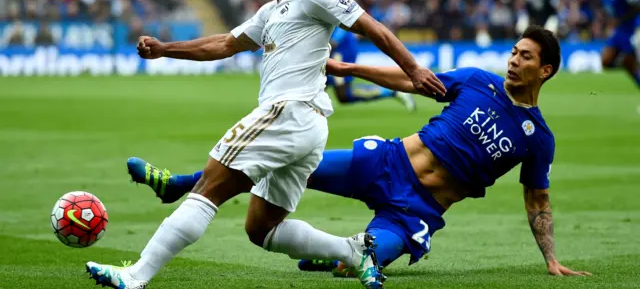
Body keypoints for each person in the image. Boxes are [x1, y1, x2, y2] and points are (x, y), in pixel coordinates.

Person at [84, 0, 445, 289]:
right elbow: (224, 44)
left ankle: (136, 275)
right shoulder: (271, 10)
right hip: (305, 125)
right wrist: (166, 49)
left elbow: (372, 28)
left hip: (289, 111)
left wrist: (413, 70)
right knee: (262, 227)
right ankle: (353, 252)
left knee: (209, 185)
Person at [129, 26, 592, 283]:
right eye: (513, 51)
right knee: (283, 160)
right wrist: (349, 67)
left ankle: (334, 258)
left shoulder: (538, 138)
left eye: (526, 56)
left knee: (365, 259)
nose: (514, 59)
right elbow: (413, 80)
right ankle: (180, 184)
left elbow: (538, 201)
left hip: (418, 210)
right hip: (385, 162)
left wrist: (550, 259)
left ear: (544, 70)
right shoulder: (476, 80)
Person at [311, 0, 416, 111]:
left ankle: (392, 92)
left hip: (342, 47)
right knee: (317, 85)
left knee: (343, 95)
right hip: (331, 45)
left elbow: (342, 16)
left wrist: (335, 40)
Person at [600, 0, 640, 89]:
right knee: (605, 61)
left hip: (630, 30)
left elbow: (637, 5)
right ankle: (623, 64)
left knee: (632, 68)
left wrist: (621, 19)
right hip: (619, 31)